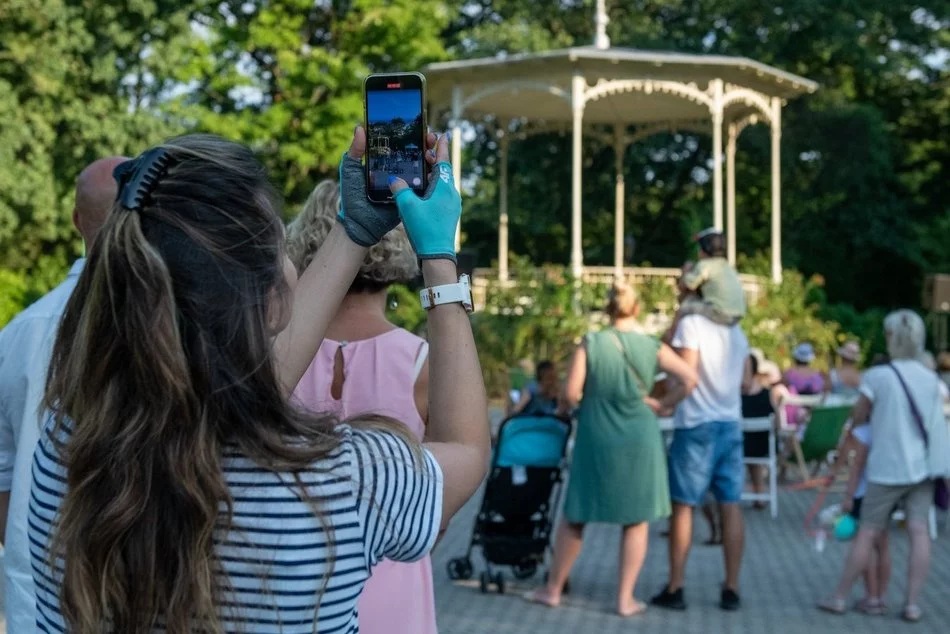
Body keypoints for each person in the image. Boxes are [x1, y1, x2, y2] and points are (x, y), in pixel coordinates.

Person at [27, 129, 491, 633]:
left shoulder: (70, 455)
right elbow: (464, 447)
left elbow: (240, 381)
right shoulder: (340, 481)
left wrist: (354, 231)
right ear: (271, 300)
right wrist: (440, 259)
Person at [287, 180, 436, 634]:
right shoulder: (418, 360)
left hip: (297, 578)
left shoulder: (274, 351)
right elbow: (444, 486)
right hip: (394, 578)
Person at [0, 156, 127, 633]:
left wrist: (35, 552)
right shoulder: (173, 325)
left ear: (77, 221)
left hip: (37, 599)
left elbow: (3, 476)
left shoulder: (19, 331)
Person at [525, 280, 697, 616]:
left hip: (595, 436)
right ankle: (625, 599)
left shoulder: (591, 343)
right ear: (636, 308)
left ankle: (553, 589)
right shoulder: (651, 345)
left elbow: (571, 395)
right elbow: (690, 379)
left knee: (576, 514)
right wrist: (663, 405)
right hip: (640, 437)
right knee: (635, 520)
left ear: (608, 308)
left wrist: (566, 407)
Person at [818, 310, 950, 622]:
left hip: (886, 466)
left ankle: (839, 597)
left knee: (868, 531)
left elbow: (859, 416)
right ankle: (912, 604)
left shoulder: (878, 377)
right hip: (922, 467)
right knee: (919, 531)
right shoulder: (930, 378)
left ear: (891, 338)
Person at [652, 298, 750, 612]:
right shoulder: (737, 330)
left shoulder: (691, 325)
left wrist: (666, 400)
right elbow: (747, 383)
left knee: (683, 506)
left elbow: (684, 375)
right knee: (731, 504)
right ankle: (731, 587)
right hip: (731, 423)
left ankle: (676, 585)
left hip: (696, 423)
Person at [676, 228, 747, 326]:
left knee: (686, 306)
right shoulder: (727, 266)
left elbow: (688, 285)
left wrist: (686, 271)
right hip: (737, 315)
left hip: (720, 313)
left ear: (702, 250)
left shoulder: (705, 264)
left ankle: (670, 337)